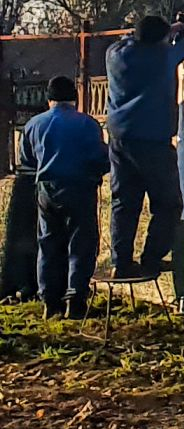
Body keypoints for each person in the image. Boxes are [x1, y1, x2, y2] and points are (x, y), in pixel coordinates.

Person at [105, 7, 184, 279]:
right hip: (153, 143)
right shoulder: (162, 57)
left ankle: (120, 262)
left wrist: (170, 29)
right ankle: (152, 258)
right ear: (160, 41)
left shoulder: (114, 54)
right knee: (168, 203)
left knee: (124, 203)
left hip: (119, 140)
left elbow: (131, 39)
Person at [18, 76, 110, 318]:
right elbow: (101, 158)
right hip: (80, 187)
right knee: (81, 243)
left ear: (49, 99)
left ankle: (49, 301)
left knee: (48, 243)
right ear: (75, 99)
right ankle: (75, 299)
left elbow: (26, 161)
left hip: (46, 189)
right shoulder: (88, 124)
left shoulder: (34, 124)